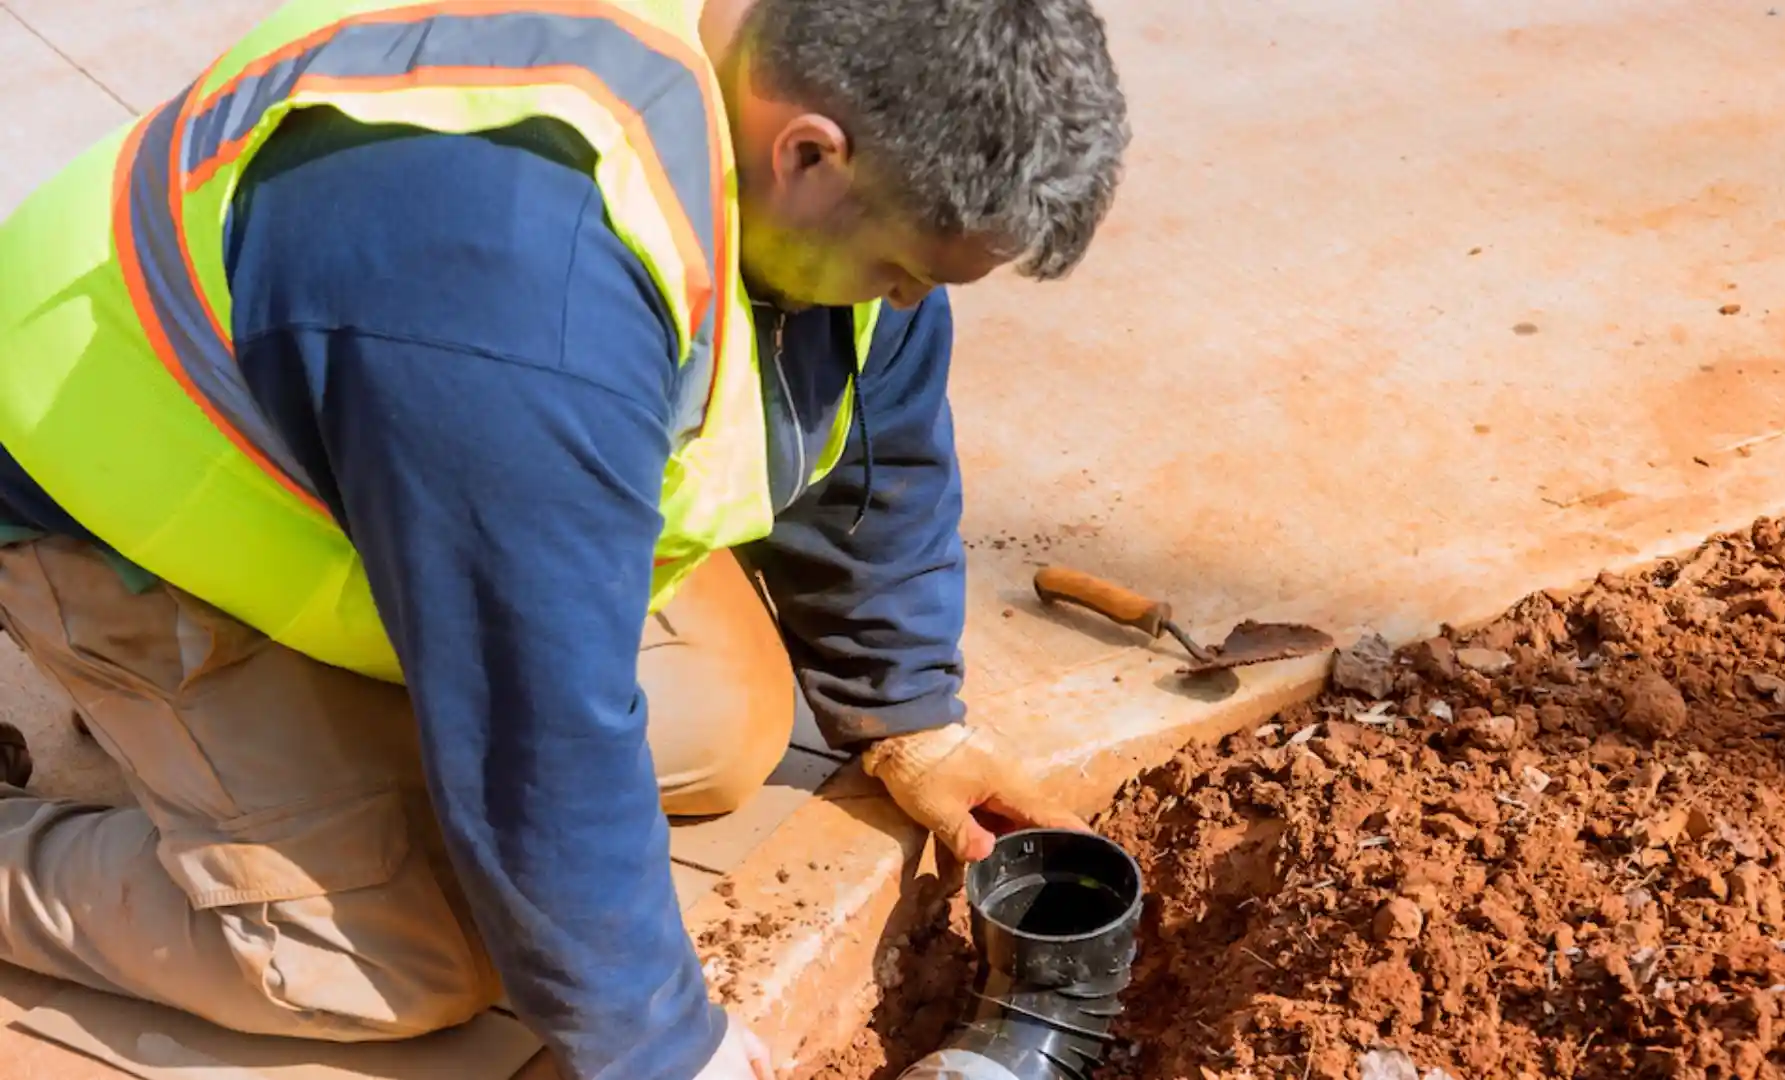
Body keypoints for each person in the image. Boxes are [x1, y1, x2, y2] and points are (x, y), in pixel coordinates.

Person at [0, 0, 1130, 1077]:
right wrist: (658, 1044)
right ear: (809, 154)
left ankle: (278, 768)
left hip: (408, 479)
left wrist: (909, 711)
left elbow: (875, 420)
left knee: (721, 727)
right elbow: (534, 718)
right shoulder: (521, 282)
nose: (904, 301)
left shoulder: (804, 98)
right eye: (903, 272)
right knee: (389, 956)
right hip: (129, 509)